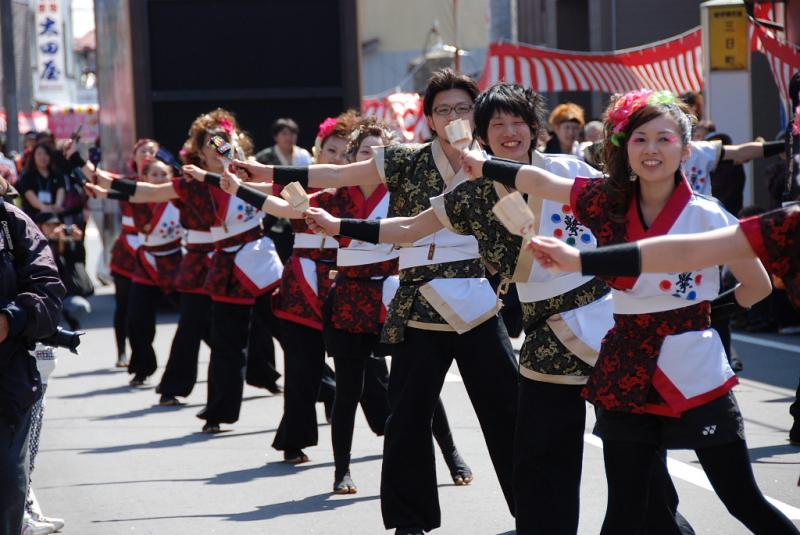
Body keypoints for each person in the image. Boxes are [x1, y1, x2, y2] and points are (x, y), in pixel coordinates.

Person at [462, 88, 799, 534]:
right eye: (639, 139)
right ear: (623, 147)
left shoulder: (709, 215)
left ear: (686, 147)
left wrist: (704, 314)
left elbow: (756, 285)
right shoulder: (608, 200)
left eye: (664, 139)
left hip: (692, 367)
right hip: (624, 362)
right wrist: (483, 165)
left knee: (741, 499)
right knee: (623, 507)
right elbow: (540, 183)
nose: (652, 150)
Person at [234, 69, 519, 535]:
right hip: (418, 297)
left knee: (508, 408)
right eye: (443, 109)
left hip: (477, 299)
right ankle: (410, 521)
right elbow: (335, 172)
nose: (454, 116)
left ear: (478, 114)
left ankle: (531, 512)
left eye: (463, 108)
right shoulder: (407, 158)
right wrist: (266, 172)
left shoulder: (492, 164)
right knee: (406, 413)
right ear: (428, 117)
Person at [244, 116, 469, 493]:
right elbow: (283, 208)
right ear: (354, 156)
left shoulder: (402, 192)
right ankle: (342, 470)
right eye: (366, 149)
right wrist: (239, 186)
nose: (374, 155)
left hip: (395, 293)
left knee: (420, 381)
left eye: (381, 150)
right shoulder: (334, 196)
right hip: (349, 296)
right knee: (349, 389)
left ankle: (453, 456)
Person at [0, 176, 64, 535]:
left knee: (9, 481)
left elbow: (48, 291)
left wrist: (13, 318)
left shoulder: (12, 224)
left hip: (8, 382)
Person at [36, 214, 93, 330]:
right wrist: (50, 240)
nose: (52, 228)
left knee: (81, 306)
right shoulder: (35, 243)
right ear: (40, 226)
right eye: (48, 225)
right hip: (43, 294)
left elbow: (79, 260)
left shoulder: (65, 243)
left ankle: (69, 320)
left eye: (55, 225)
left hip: (65, 294)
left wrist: (77, 242)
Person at [19, 143, 66, 219]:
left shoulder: (58, 175)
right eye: (39, 154)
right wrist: (43, 207)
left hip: (54, 218)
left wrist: (57, 206)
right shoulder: (27, 177)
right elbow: (29, 194)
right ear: (33, 157)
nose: (43, 157)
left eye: (46, 154)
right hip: (33, 218)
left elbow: (61, 190)